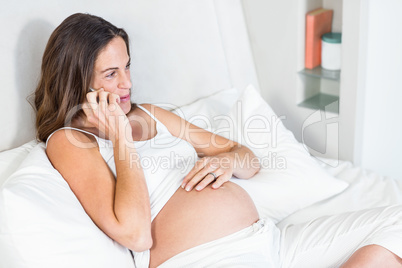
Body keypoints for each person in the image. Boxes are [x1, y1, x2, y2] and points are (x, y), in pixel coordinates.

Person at [36, 13, 402, 268]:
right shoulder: (69, 140)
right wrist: (119, 138)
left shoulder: (148, 114)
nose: (127, 83)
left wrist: (228, 161)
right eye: (112, 73)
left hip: (268, 241)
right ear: (77, 79)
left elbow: (245, 156)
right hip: (207, 258)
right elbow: (135, 235)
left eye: (128, 66)